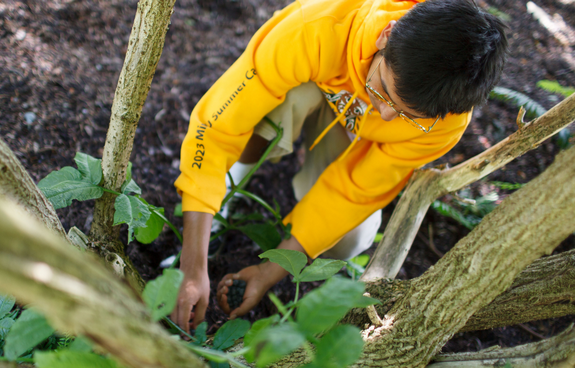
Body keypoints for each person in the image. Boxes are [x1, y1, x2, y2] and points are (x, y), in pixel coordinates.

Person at [170, 0, 508, 332]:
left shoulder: (445, 120)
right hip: (311, 84)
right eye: (387, 93)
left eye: (409, 116)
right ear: (384, 37)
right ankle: (226, 192)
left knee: (350, 239)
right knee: (269, 105)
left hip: (354, 132)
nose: (388, 115)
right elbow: (217, 126)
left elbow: (357, 192)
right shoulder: (313, 27)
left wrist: (270, 271)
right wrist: (192, 262)